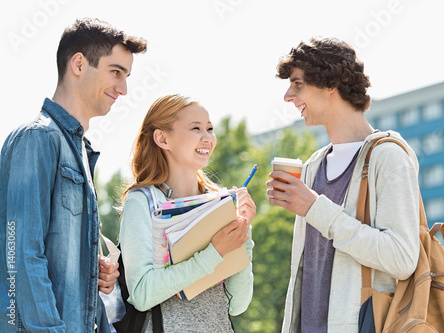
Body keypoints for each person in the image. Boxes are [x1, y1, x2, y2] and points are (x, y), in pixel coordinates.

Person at [0, 18, 147, 332]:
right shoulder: (37, 139)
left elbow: (52, 251)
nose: (123, 89)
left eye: (126, 76)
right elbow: (20, 256)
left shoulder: (81, 149)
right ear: (79, 63)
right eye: (116, 72)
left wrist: (90, 269)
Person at [266, 37, 421, 332]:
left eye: (298, 84)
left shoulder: (387, 157)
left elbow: (401, 258)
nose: (288, 96)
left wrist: (314, 208)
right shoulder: (313, 166)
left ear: (329, 84)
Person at [119, 94, 255, 332]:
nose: (207, 138)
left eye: (210, 129)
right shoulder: (141, 202)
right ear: (162, 138)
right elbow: (142, 294)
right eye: (196, 128)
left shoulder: (220, 201)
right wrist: (214, 253)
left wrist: (244, 235)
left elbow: (238, 304)